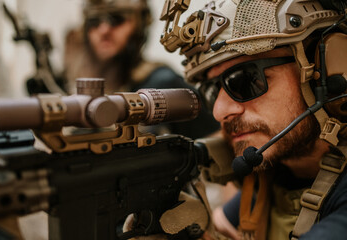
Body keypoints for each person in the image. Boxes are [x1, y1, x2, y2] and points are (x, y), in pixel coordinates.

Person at [153, 0, 347, 239]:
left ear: (327, 72)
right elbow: (223, 223)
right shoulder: (276, 174)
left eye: (245, 79)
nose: (219, 111)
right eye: (212, 90)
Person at [38, 0, 220, 139]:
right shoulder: (75, 85)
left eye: (116, 20)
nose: (104, 30)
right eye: (95, 22)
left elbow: (216, 147)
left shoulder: (162, 85)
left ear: (138, 27)